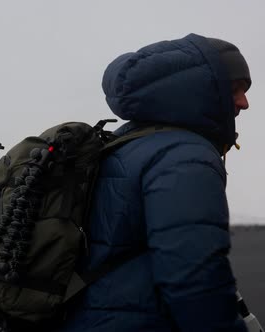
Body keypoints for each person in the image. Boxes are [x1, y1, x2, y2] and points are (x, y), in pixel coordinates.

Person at [59, 33, 251, 331]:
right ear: (202, 89)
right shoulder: (185, 154)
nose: (245, 102)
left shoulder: (125, 140)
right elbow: (196, 277)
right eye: (235, 90)